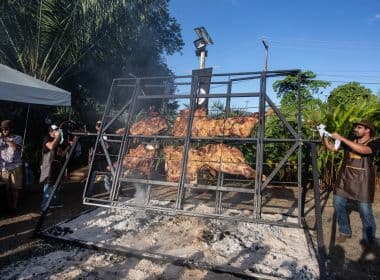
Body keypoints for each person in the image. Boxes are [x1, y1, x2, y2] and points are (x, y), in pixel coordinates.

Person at [323, 119, 379, 249]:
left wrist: (341, 138)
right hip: (345, 178)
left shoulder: (375, 142)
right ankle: (345, 231)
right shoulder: (351, 139)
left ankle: (368, 239)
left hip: (363, 181)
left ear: (367, 130)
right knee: (338, 204)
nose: (355, 130)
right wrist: (324, 136)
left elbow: (364, 150)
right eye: (356, 127)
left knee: (365, 211)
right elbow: (333, 148)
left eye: (359, 127)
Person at [40, 124, 72, 209]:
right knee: (48, 183)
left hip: (55, 165)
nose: (58, 132)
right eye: (56, 130)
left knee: (55, 184)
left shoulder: (57, 141)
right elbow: (51, 146)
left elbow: (61, 154)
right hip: (48, 165)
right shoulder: (47, 138)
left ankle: (54, 202)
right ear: (51, 131)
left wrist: (69, 146)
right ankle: (44, 205)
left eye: (58, 130)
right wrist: (58, 137)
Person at [0, 120, 23, 213]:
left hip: (16, 166)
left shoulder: (17, 137)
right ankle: (8, 206)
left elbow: (15, 147)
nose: (4, 131)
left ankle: (15, 206)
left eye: (6, 129)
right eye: (2, 129)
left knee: (15, 189)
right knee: (6, 189)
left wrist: (5, 139)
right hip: (3, 167)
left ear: (11, 129)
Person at [86, 120, 111, 196]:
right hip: (96, 157)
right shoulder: (93, 135)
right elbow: (91, 148)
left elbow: (108, 147)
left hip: (104, 157)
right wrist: (90, 157)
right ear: (96, 126)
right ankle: (88, 193)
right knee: (92, 175)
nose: (100, 127)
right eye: (98, 125)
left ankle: (109, 190)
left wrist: (104, 141)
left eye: (101, 125)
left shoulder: (106, 135)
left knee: (107, 173)